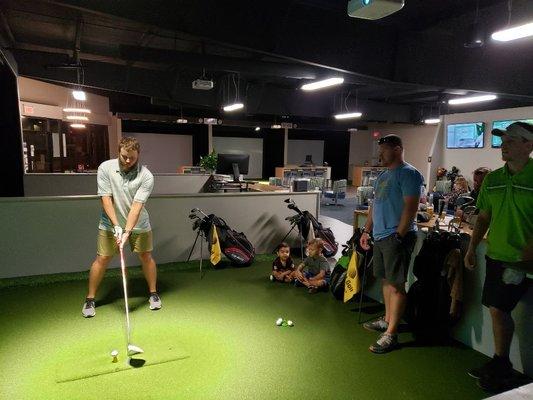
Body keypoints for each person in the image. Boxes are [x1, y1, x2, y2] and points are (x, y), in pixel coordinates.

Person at [464, 121, 533, 392]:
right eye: (503, 139)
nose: (504, 144)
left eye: (512, 140)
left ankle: (502, 365)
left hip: (523, 261)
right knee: (496, 310)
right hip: (497, 257)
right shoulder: (493, 179)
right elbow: (483, 218)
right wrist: (472, 248)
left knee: (498, 310)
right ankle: (502, 363)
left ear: (529, 145)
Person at [82, 137, 161, 317]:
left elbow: (136, 206)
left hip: (139, 224)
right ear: (119, 152)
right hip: (109, 224)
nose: (127, 160)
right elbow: (106, 199)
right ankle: (90, 299)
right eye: (124, 156)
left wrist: (127, 231)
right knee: (102, 258)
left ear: (138, 155)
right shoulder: (105, 168)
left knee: (146, 256)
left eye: (132, 158)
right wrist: (117, 226)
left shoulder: (146, 176)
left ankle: (153, 293)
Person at [360, 134, 424, 354]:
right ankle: (387, 320)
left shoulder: (409, 174)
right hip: (379, 236)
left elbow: (411, 207)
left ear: (397, 149)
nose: (380, 154)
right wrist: (366, 231)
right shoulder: (383, 176)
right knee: (386, 281)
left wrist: (399, 234)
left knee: (397, 285)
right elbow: (375, 206)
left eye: (384, 150)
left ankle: (391, 334)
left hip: (396, 237)